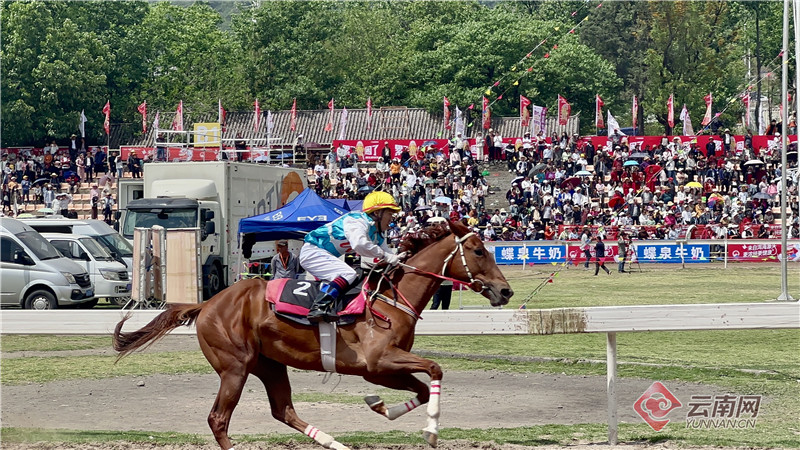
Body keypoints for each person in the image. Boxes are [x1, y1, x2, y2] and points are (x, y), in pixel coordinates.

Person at [299, 191, 405, 323]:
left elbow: (389, 254)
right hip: (313, 252)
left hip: (325, 254)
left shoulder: (377, 234)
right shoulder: (356, 220)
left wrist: (399, 258)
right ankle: (317, 308)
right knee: (348, 274)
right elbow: (360, 245)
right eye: (390, 213)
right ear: (377, 213)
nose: (391, 218)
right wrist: (386, 256)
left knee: (352, 277)